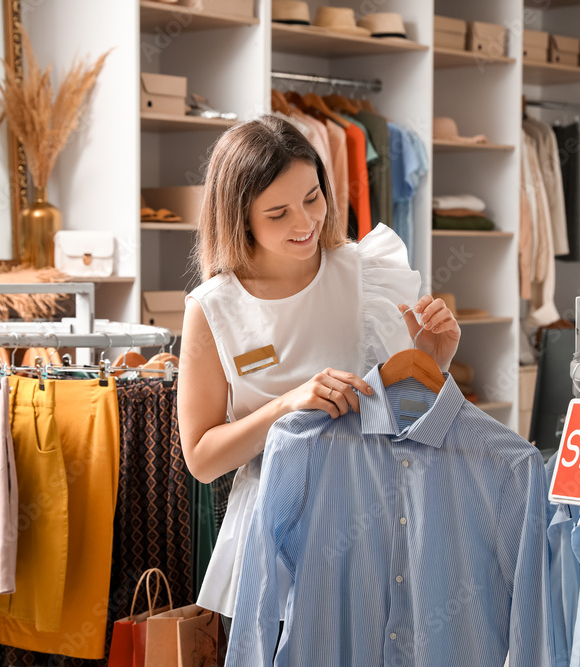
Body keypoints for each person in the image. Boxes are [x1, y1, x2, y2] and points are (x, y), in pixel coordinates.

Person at [177, 114, 460, 634]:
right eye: (278, 212)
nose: (305, 222)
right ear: (240, 218)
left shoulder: (366, 275)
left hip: (374, 524)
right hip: (271, 540)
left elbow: (405, 424)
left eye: (312, 197)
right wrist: (286, 405)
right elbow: (200, 458)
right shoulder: (213, 308)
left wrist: (433, 360)